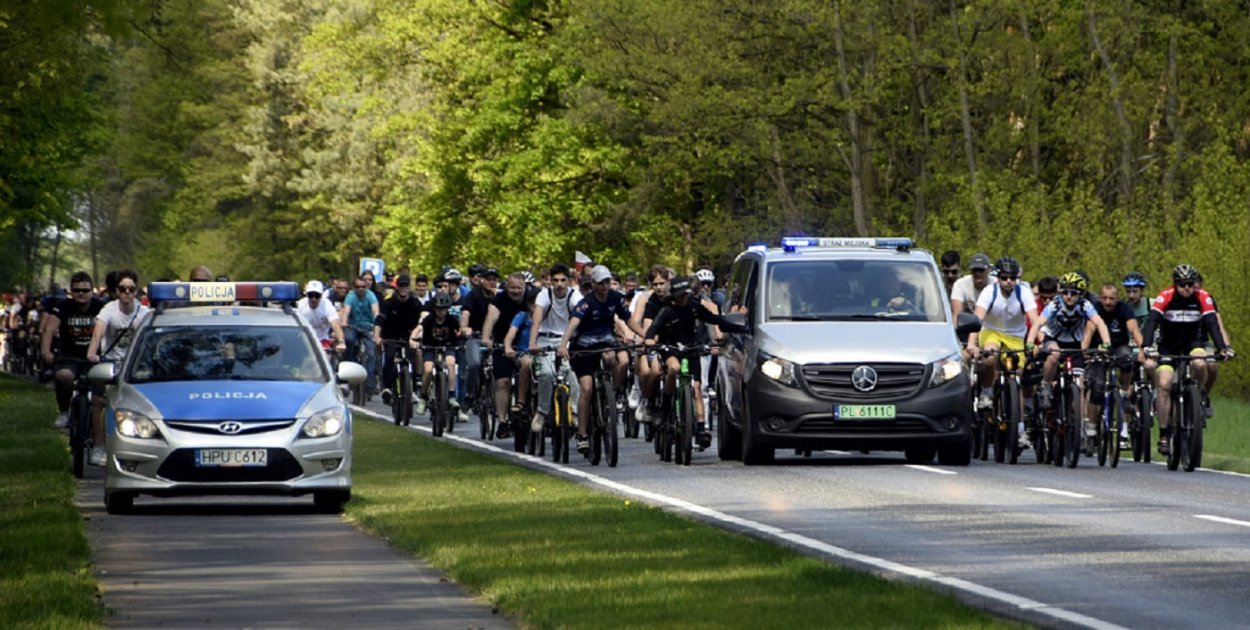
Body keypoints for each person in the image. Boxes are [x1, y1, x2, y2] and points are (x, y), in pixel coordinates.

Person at [644, 276, 747, 449]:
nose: (683, 299)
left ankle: (700, 428)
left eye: (686, 295)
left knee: (697, 389)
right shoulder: (667, 310)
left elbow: (715, 320)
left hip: (691, 350)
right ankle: (666, 407)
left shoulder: (693, 307)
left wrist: (739, 323)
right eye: (680, 296)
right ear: (674, 296)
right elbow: (653, 328)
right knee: (674, 368)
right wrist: (649, 340)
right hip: (670, 349)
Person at [1140, 265, 1233, 455]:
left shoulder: (1203, 297)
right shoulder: (1165, 296)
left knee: (1200, 362)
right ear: (1175, 284)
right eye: (1182, 285)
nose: (1187, 288)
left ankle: (1195, 398)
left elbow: (1212, 324)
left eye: (1190, 284)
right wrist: (1146, 346)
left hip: (1192, 342)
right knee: (1164, 383)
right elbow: (1151, 322)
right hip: (1168, 345)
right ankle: (1165, 434)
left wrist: (1222, 347)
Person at [559, 265, 645, 454]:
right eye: (601, 283)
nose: (605, 286)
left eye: (607, 282)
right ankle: (582, 434)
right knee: (587, 388)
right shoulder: (586, 303)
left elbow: (628, 319)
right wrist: (563, 345)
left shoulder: (616, 298)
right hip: (583, 346)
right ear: (594, 285)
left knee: (620, 358)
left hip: (606, 339)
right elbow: (573, 324)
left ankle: (613, 393)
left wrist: (644, 335)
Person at [1027, 272, 1111, 447]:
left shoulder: (1085, 305)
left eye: (1073, 293)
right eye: (1065, 292)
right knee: (1054, 354)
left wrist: (1106, 342)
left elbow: (1099, 323)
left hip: (1074, 345)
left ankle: (1079, 426)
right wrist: (1029, 342)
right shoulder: (1055, 305)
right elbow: (1038, 323)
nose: (1069, 297)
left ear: (1080, 294)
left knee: (1079, 386)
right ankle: (1046, 386)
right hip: (1054, 341)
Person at [966, 257, 1037, 447]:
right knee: (990, 356)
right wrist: (972, 344)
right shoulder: (990, 292)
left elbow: (1035, 320)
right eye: (1005, 277)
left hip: (1015, 337)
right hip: (992, 332)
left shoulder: (1024, 292)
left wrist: (1035, 342)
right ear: (998, 277)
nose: (1008, 281)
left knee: (1017, 378)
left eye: (1012, 278)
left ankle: (1020, 430)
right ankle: (987, 392)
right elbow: (977, 319)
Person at [86, 270, 149, 465]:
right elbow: (97, 334)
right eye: (123, 289)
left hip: (133, 364)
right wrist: (92, 353)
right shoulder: (109, 310)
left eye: (131, 289)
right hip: (110, 360)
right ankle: (98, 446)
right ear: (117, 291)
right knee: (99, 401)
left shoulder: (144, 314)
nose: (127, 293)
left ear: (136, 291)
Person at [41, 272, 104, 434]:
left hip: (96, 357)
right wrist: (46, 351)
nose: (81, 294)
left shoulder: (101, 307)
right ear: (71, 291)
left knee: (103, 388)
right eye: (77, 290)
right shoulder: (63, 307)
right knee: (63, 376)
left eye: (85, 290)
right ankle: (64, 412)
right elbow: (49, 330)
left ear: (92, 291)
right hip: (70, 357)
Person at [528, 263, 583, 434]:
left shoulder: (575, 295)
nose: (559, 284)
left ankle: (574, 412)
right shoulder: (544, 295)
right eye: (555, 280)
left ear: (569, 281)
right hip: (546, 339)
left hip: (567, 340)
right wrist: (533, 343)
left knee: (573, 372)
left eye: (563, 280)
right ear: (550, 281)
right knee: (546, 373)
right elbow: (537, 319)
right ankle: (542, 412)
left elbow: (579, 317)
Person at [1087, 283, 1143, 440]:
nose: (1108, 302)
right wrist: (1084, 350)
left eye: (1111, 298)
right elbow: (1089, 331)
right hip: (1097, 349)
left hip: (1119, 346)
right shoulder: (1094, 308)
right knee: (1097, 387)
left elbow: (1134, 330)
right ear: (1099, 298)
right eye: (1104, 298)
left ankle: (1124, 393)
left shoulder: (1124, 308)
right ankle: (1091, 427)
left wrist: (1143, 348)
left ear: (1117, 299)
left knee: (1127, 359)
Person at [482, 272, 531, 439]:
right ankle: (502, 421)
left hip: (526, 346)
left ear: (525, 287)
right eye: (512, 288)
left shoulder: (531, 299)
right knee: (502, 382)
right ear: (506, 287)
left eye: (519, 288)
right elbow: (490, 319)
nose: (516, 291)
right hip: (503, 345)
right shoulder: (499, 300)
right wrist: (486, 338)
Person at [373, 274, 425, 406]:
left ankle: (413, 385)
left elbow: (421, 321)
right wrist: (377, 336)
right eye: (401, 285)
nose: (403, 288)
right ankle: (387, 387)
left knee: (412, 356)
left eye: (405, 285)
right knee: (389, 357)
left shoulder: (415, 303)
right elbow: (380, 319)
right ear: (397, 287)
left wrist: (419, 335)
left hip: (408, 336)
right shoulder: (388, 302)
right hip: (390, 336)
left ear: (409, 287)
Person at [411, 291, 461, 416]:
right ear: (434, 308)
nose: (441, 312)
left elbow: (459, 331)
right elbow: (419, 328)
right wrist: (412, 339)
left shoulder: (452, 320)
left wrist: (462, 337)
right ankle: (423, 397)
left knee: (451, 363)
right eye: (438, 309)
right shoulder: (429, 319)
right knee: (428, 369)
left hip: (447, 346)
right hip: (430, 347)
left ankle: (451, 395)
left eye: (443, 309)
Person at [502, 288, 540, 427]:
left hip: (545, 354)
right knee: (526, 362)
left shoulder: (548, 317)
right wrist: (508, 347)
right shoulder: (522, 316)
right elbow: (510, 334)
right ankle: (521, 401)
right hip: (525, 353)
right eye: (532, 304)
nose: (535, 308)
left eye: (538, 304)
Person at [341, 274, 380, 395]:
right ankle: (349, 368)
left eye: (363, 286)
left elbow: (376, 312)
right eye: (357, 286)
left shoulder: (371, 296)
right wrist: (344, 322)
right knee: (349, 340)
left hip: (368, 327)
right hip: (353, 326)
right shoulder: (350, 296)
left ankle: (369, 382)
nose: (360, 289)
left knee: (371, 353)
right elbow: (346, 311)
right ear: (354, 287)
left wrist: (376, 327)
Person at [295, 280, 346, 353]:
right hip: (304, 339)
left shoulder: (326, 304)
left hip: (322, 340)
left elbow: (335, 324)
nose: (313, 299)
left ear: (321, 295)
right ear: (306, 295)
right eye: (311, 295)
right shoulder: (300, 305)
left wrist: (341, 342)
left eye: (317, 295)